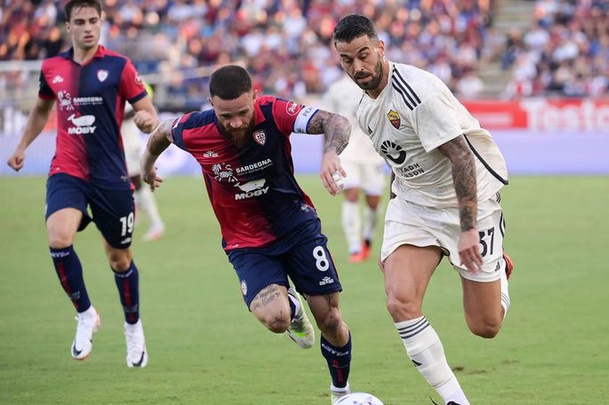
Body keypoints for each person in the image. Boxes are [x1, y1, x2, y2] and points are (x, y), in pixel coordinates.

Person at [140, 65, 354, 404]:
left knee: (329, 318)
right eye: (226, 116)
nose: (237, 122)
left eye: (243, 112)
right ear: (211, 103)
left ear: (254, 96)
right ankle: (291, 308)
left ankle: (341, 394)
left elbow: (336, 122)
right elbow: (160, 134)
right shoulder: (194, 129)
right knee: (277, 319)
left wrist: (330, 153)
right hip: (246, 241)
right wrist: (146, 168)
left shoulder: (274, 111)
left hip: (297, 226)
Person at [333, 14, 515, 405]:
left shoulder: (417, 93)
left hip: (469, 203)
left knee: (485, 326)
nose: (357, 67)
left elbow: (462, 158)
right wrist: (395, 235)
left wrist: (468, 229)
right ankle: (456, 400)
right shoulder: (365, 109)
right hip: (415, 205)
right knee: (399, 300)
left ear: (380, 48)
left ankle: (497, 266)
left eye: (363, 55)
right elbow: (399, 167)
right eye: (347, 60)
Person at [6, 0, 158, 368]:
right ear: (68, 26)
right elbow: (42, 108)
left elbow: (148, 111)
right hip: (67, 170)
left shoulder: (119, 66)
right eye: (80, 21)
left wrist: (145, 120)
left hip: (110, 175)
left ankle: (133, 326)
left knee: (119, 259)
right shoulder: (52, 68)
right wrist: (22, 145)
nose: (88, 27)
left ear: (101, 22)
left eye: (93, 20)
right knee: (58, 237)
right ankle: (85, 314)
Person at [322, 74, 386, 263]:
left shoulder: (378, 82)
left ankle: (367, 239)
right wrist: (326, 154)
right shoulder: (337, 89)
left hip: (372, 153)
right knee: (351, 194)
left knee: (373, 201)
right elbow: (326, 122)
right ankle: (354, 247)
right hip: (347, 152)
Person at [121, 83, 165, 242]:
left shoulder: (129, 86)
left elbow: (139, 109)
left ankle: (156, 223)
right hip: (118, 146)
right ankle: (135, 214)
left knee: (136, 183)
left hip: (129, 145)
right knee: (126, 184)